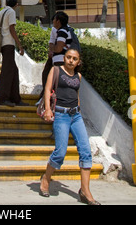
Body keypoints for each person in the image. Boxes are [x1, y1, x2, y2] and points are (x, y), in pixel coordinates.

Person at [39, 47, 100, 205]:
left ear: (78, 62)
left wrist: (79, 112)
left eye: (74, 59)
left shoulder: (78, 76)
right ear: (64, 58)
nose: (71, 61)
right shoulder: (56, 70)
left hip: (76, 115)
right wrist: (47, 109)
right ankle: (46, 179)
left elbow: (77, 95)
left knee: (86, 151)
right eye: (68, 57)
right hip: (60, 115)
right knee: (60, 152)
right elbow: (47, 89)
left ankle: (85, 191)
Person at [0, 0, 28, 107]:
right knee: (8, 72)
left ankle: (15, 98)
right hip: (8, 44)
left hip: (2, 45)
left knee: (13, 71)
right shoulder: (11, 12)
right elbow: (12, 28)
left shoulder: (0, 13)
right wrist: (19, 45)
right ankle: (3, 98)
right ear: (16, 4)